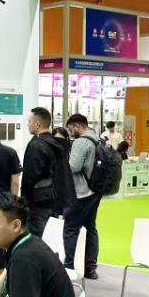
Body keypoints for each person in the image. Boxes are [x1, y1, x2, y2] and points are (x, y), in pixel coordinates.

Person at [20, 107, 74, 237]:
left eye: (29, 121)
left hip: (38, 202)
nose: (28, 125)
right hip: (54, 199)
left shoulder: (37, 145)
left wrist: (23, 201)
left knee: (37, 238)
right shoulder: (55, 143)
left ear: (37, 124)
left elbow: (30, 176)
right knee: (50, 237)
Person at [64, 114, 102, 279]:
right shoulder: (98, 139)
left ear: (77, 126)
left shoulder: (81, 142)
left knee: (71, 228)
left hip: (81, 192)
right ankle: (90, 267)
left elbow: (73, 166)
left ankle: (69, 267)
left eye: (70, 129)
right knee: (90, 227)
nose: (70, 133)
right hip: (95, 190)